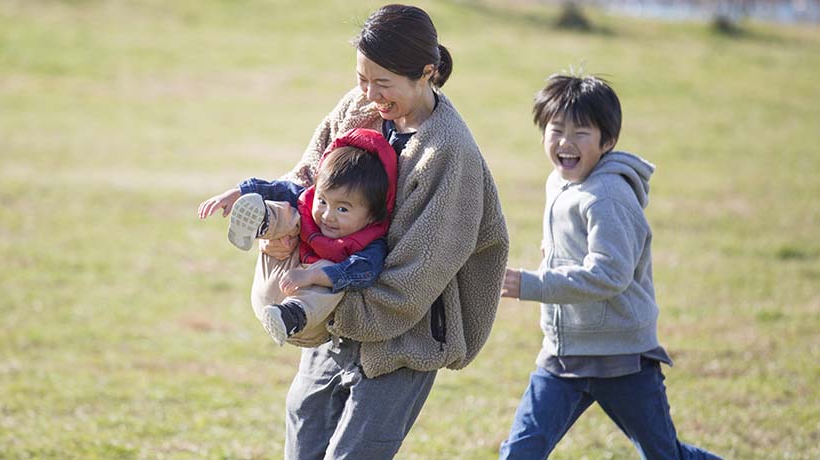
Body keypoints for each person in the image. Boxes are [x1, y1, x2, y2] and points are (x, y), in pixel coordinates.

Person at [251, 4, 509, 459]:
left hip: (401, 337)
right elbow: (312, 176)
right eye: (361, 78)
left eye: (383, 83)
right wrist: (277, 220)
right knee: (302, 441)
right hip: (332, 310)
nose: (370, 94)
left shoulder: (449, 153)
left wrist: (331, 306)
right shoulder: (359, 108)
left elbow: (417, 277)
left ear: (427, 73)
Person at [498, 73, 720, 459]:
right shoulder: (560, 182)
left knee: (665, 455)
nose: (566, 142)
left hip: (622, 358)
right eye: (556, 129)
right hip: (563, 356)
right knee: (521, 453)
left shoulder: (608, 196)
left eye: (581, 132)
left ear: (608, 141)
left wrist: (530, 284)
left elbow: (610, 274)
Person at [197, 128, 398, 347]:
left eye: (343, 209)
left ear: (372, 215)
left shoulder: (371, 244)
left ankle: (290, 315)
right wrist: (235, 193)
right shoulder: (308, 199)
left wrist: (313, 276)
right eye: (323, 201)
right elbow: (275, 188)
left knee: (335, 275)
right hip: (275, 277)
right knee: (292, 212)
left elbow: (364, 272)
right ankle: (261, 222)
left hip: (307, 319)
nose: (327, 215)